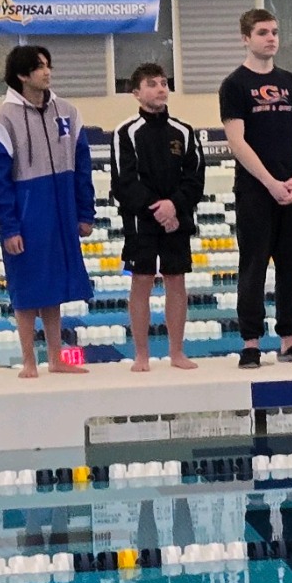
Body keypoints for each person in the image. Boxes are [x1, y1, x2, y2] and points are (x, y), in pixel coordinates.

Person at [0, 44, 95, 377]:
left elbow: (83, 163)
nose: (47, 72)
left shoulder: (67, 111)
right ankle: (29, 360)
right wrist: (9, 226)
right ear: (21, 75)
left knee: (54, 286)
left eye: (48, 65)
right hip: (28, 211)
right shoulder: (3, 119)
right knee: (26, 286)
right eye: (40, 67)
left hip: (61, 207)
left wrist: (84, 211)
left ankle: (56, 358)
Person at [220, 9, 292, 368]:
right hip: (255, 190)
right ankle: (251, 342)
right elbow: (237, 142)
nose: (271, 38)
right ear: (245, 38)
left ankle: (290, 340)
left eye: (275, 32)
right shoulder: (234, 85)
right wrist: (270, 182)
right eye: (262, 32)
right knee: (253, 266)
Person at [111, 61, 204, 372]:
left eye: (164, 83)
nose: (161, 88)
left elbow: (194, 178)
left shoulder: (184, 131)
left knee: (176, 280)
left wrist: (174, 207)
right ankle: (142, 355)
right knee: (142, 281)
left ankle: (176, 352)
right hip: (142, 221)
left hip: (176, 218)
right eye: (152, 84)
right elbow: (124, 181)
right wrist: (159, 209)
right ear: (136, 93)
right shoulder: (126, 133)